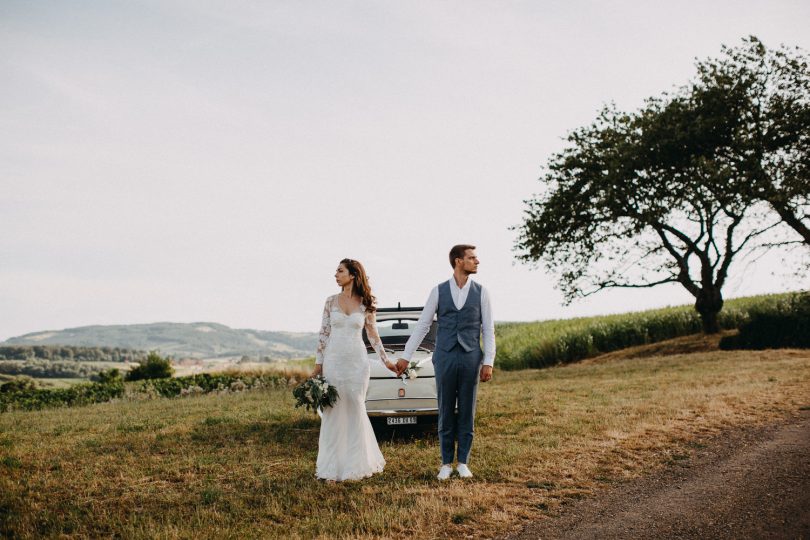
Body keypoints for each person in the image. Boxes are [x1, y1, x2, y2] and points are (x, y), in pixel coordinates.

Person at [395, 244, 495, 480]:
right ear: (459, 261)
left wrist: (488, 361)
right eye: (472, 258)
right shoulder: (438, 291)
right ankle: (445, 463)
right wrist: (406, 356)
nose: (477, 261)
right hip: (445, 356)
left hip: (471, 357)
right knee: (446, 409)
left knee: (467, 410)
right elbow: (423, 325)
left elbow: (488, 329)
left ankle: (463, 462)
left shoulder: (482, 292)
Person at [312, 258, 397, 481]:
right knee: (333, 409)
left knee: (355, 406)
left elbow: (373, 335)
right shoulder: (330, 301)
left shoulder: (366, 303)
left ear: (352, 275)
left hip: (357, 363)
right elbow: (323, 334)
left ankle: (356, 465)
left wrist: (386, 361)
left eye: (340, 271)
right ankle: (331, 467)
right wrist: (318, 365)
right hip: (333, 361)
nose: (335, 274)